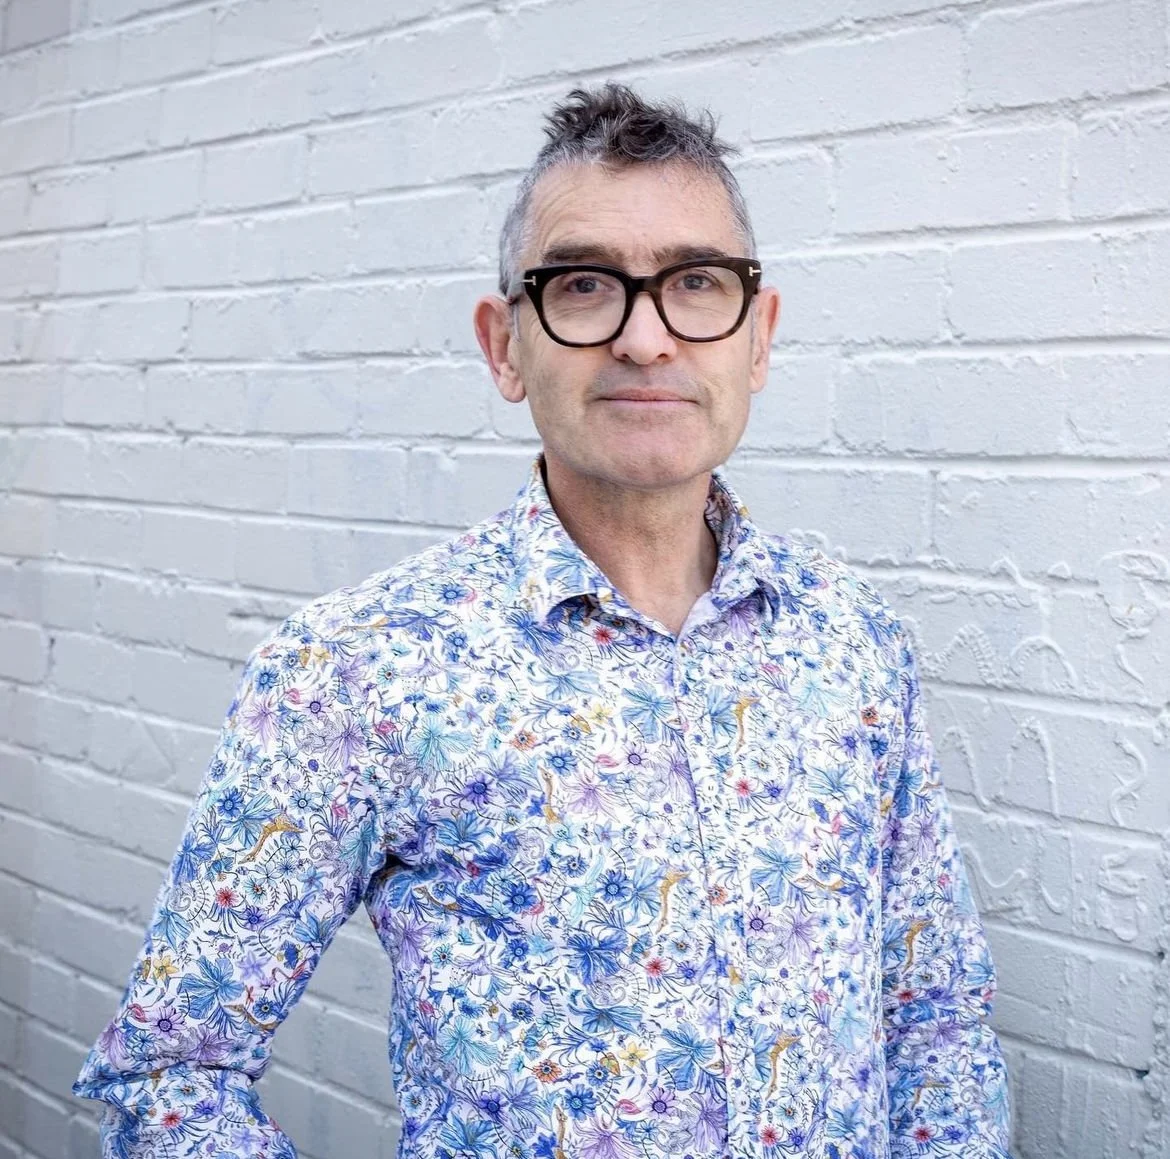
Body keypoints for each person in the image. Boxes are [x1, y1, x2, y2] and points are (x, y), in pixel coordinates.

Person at [75, 83, 1013, 1159]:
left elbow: (934, 1015)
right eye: (583, 285)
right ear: (504, 345)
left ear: (759, 337)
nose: (647, 338)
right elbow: (172, 1072)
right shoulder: (364, 667)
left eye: (696, 284)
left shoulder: (855, 642)